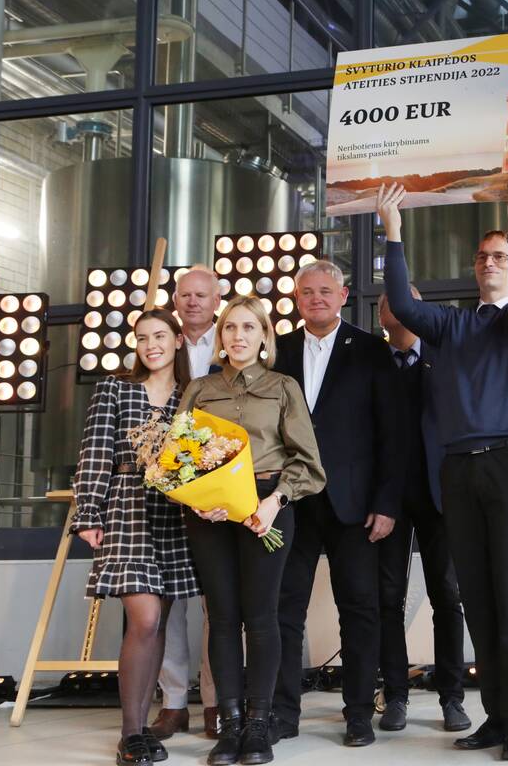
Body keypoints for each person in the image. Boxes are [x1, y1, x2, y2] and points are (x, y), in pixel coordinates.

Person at [380, 173, 508, 761]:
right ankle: (497, 717)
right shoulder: (452, 324)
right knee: (476, 598)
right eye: (482, 256)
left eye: (499, 256)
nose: (489, 263)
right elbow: (404, 306)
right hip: (457, 470)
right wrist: (393, 232)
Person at [179, 295, 326, 765]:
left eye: (248, 327)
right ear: (220, 337)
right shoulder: (200, 389)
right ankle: (230, 725)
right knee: (222, 617)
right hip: (210, 513)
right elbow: (180, 459)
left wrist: (275, 500)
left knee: (262, 617)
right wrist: (199, 500)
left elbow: (308, 463)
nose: (238, 336)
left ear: (264, 336)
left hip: (267, 506)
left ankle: (260, 725)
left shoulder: (283, 387)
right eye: (230, 327)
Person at [270, 260, 402, 747]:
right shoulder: (277, 351)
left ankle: (359, 714)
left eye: (325, 291)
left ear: (343, 296)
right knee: (284, 609)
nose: (317, 299)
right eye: (307, 292)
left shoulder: (371, 350)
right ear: (297, 299)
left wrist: (387, 503)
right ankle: (283, 713)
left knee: (360, 610)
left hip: (355, 505)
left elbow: (392, 435)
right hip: (291, 502)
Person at [70, 308, 199, 766]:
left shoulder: (192, 394)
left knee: (159, 622)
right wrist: (88, 512)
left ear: (178, 340)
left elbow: (200, 460)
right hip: (126, 509)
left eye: (159, 336)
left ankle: (142, 728)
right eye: (142, 338)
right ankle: (129, 734)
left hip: (175, 514)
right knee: (144, 619)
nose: (151, 345)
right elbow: (95, 451)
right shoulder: (114, 388)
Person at [377, 287, 470, 734]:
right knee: (387, 599)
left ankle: (452, 697)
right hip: (387, 500)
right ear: (380, 315)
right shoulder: (372, 361)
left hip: (441, 496)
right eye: (388, 301)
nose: (397, 307)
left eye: (406, 300)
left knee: (447, 597)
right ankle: (395, 695)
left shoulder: (445, 355)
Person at [152, 267, 221, 740]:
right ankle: (173, 703)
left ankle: (216, 701)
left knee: (220, 602)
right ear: (175, 299)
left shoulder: (231, 340)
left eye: (201, 295)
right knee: (169, 603)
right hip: (167, 488)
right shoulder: (164, 343)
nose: (192, 302)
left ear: (217, 300)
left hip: (219, 484)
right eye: (185, 294)